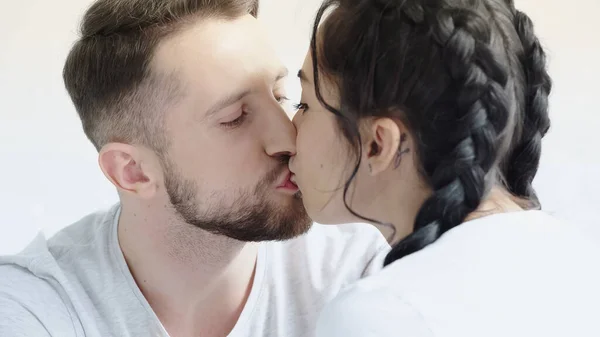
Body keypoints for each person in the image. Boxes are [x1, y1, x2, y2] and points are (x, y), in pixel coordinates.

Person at [0, 1, 390, 336]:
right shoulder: (37, 308)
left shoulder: (362, 273)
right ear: (132, 171)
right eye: (236, 117)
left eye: (281, 96)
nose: (288, 140)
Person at [289, 0, 600, 336]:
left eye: (303, 104)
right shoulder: (580, 261)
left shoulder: (378, 315)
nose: (286, 131)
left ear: (378, 144)